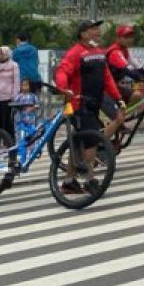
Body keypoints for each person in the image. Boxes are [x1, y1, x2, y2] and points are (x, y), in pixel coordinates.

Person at [54, 19, 126, 194]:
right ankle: (90, 179)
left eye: (98, 28)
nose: (97, 32)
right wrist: (64, 89)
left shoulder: (99, 53)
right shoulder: (75, 53)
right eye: (93, 29)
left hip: (95, 103)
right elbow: (62, 72)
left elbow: (107, 78)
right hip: (79, 104)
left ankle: (69, 182)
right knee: (91, 142)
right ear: (83, 34)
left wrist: (118, 99)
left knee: (80, 142)